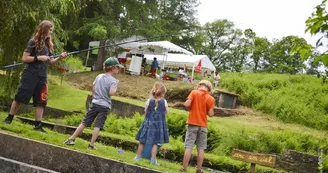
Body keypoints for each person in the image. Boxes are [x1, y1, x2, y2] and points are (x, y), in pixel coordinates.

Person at [2, 20, 68, 133]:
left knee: (41, 101)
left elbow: (50, 62)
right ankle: (9, 118)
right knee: (20, 97)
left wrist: (59, 58)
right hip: (30, 75)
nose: (51, 32)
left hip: (42, 77)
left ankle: (38, 125)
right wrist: (39, 58)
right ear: (44, 29)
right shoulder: (33, 42)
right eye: (50, 30)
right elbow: (24, 58)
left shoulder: (49, 45)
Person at [63, 57, 123, 150]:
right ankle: (91, 145)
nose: (119, 69)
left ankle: (71, 138)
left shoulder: (99, 76)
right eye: (118, 67)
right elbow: (111, 93)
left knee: (85, 122)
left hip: (94, 103)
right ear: (113, 68)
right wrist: (116, 86)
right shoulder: (113, 81)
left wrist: (95, 98)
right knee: (98, 125)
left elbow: (93, 89)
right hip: (104, 105)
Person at [179, 80, 215, 173]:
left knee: (189, 146)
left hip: (192, 123)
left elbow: (186, 104)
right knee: (201, 148)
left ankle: (184, 168)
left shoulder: (194, 92)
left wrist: (191, 104)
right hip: (203, 125)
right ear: (209, 89)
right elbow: (211, 114)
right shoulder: (210, 98)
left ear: (199, 85)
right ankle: (199, 169)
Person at [134, 82, 169, 166]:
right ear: (163, 93)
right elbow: (166, 112)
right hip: (158, 126)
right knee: (155, 143)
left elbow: (146, 111)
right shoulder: (164, 102)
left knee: (142, 141)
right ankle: (153, 160)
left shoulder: (149, 100)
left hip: (148, 124)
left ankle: (138, 157)